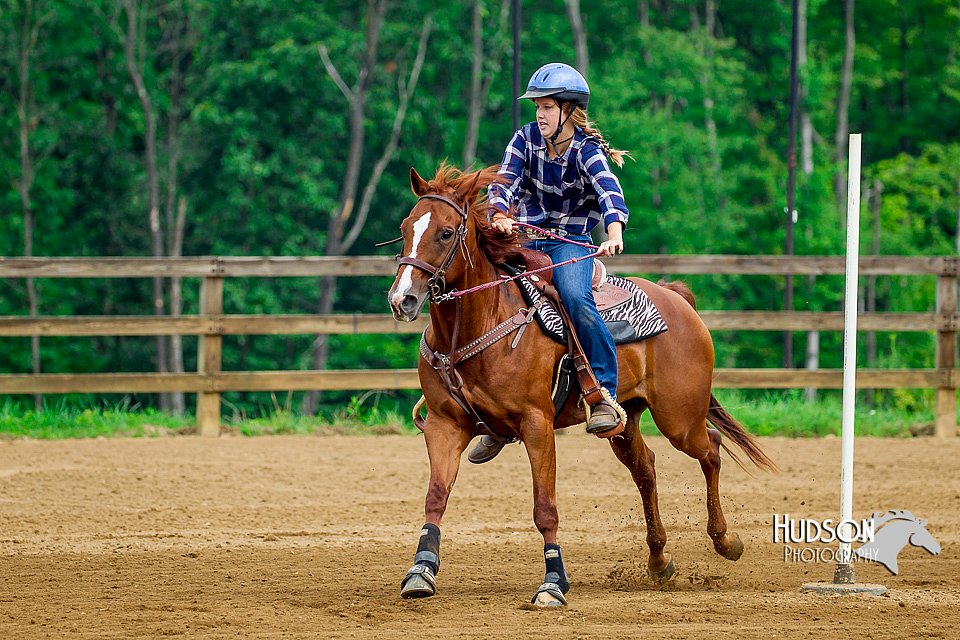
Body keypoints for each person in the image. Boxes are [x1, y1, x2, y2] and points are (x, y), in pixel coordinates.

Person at [468, 62, 630, 465]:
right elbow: (503, 183)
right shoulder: (523, 140)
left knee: (575, 297)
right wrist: (500, 213)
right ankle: (495, 418)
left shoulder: (587, 151)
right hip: (525, 240)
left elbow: (609, 192)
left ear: (568, 111)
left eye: (547, 106)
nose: (539, 114)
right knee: (490, 293)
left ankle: (605, 393)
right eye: (537, 106)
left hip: (571, 244)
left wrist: (613, 233)